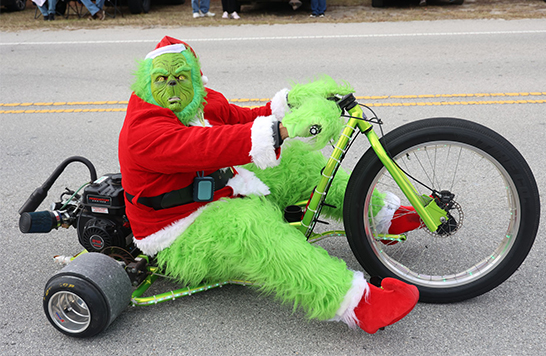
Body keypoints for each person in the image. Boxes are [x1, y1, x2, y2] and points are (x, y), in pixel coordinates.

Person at [119, 36, 421, 335]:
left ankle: (381, 215)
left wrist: (291, 103)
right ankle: (357, 303)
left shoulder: (199, 100)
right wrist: (285, 129)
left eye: (181, 77)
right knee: (250, 227)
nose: (172, 86)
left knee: (297, 163)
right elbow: (207, 145)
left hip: (215, 185)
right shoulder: (144, 128)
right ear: (148, 82)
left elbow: (243, 120)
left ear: (196, 77)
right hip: (180, 228)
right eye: (162, 79)